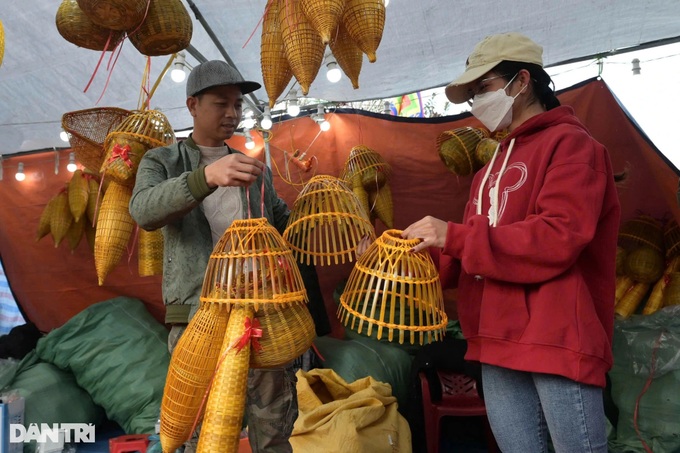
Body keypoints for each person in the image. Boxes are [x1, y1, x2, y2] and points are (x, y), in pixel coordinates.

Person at [402, 32, 621, 452]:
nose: (476, 104)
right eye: (471, 97)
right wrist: (408, 256)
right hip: (495, 340)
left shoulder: (574, 146)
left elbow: (558, 236)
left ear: (522, 82)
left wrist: (455, 235)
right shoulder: (489, 170)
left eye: (481, 89)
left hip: (554, 336)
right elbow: (466, 256)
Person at [130, 60, 298, 453]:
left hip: (260, 311)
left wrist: (328, 225)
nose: (233, 114)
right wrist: (205, 177)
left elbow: (280, 223)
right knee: (197, 424)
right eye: (221, 103)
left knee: (274, 417)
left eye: (238, 104)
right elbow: (143, 211)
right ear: (192, 105)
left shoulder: (253, 167)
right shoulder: (163, 161)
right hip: (196, 314)